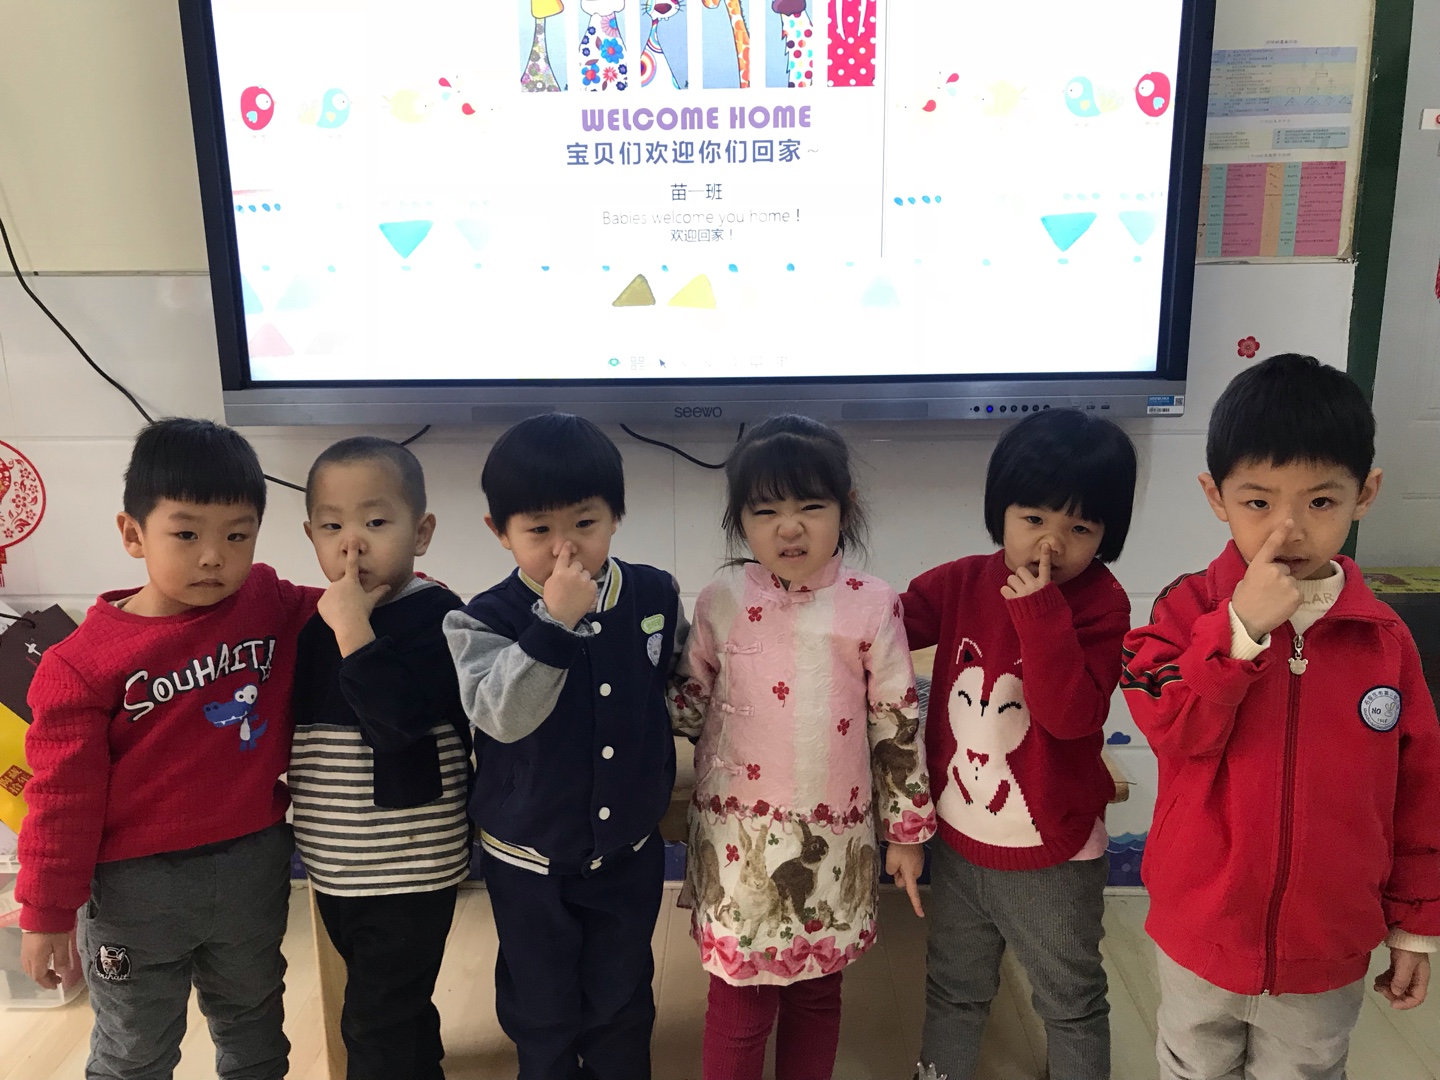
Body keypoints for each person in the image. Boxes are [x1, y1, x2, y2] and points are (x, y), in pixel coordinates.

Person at [1122, 353, 1440, 1079]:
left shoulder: (1384, 639)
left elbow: (1421, 790)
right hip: (1202, 931)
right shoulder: (1185, 610)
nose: (1288, 531)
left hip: (1327, 943)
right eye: (1258, 502)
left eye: (1321, 502)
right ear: (1216, 496)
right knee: (1192, 1067)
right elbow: (1175, 730)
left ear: (1365, 494)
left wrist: (1417, 923)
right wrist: (1238, 630)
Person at [18, 417, 319, 1080]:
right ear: (133, 534)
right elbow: (61, 801)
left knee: (255, 1026)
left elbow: (348, 608)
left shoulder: (266, 600)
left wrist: (408, 585)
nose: (214, 556)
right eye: (186, 534)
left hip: (250, 869)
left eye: (237, 535)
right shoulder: (81, 664)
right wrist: (46, 915)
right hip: (136, 894)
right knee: (134, 1047)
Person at [671, 414, 936, 1080]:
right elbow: (689, 702)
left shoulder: (872, 605)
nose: (789, 528)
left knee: (818, 992)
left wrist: (906, 835)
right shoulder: (720, 599)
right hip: (739, 843)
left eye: (811, 507)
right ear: (741, 520)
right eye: (766, 511)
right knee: (739, 999)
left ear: (846, 508)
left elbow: (896, 723)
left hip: (833, 842)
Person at [444, 413, 686, 1080]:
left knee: (623, 1001)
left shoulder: (655, 594)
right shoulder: (479, 618)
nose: (565, 548)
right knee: (542, 1010)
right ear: (499, 531)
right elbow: (501, 717)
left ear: (615, 517)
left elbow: (676, 683)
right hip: (527, 858)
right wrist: (554, 621)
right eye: (538, 531)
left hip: (628, 851)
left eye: (585, 523)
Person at [903, 407, 1138, 1080]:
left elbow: (1070, 717)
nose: (1050, 544)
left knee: (1070, 1000)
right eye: (1033, 518)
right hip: (960, 839)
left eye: (1080, 529)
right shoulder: (961, 582)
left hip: (1054, 855)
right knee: (954, 985)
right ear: (999, 511)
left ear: (1107, 535)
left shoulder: (1102, 604)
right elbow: (884, 627)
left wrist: (1040, 614)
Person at [290, 436, 472, 1079]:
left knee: (373, 1019)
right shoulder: (315, 620)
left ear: (420, 532)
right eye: (331, 526)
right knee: (398, 1007)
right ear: (310, 535)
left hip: (411, 863)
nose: (352, 545)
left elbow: (399, 723)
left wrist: (354, 630)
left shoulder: (440, 616)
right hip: (336, 863)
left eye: (375, 522)